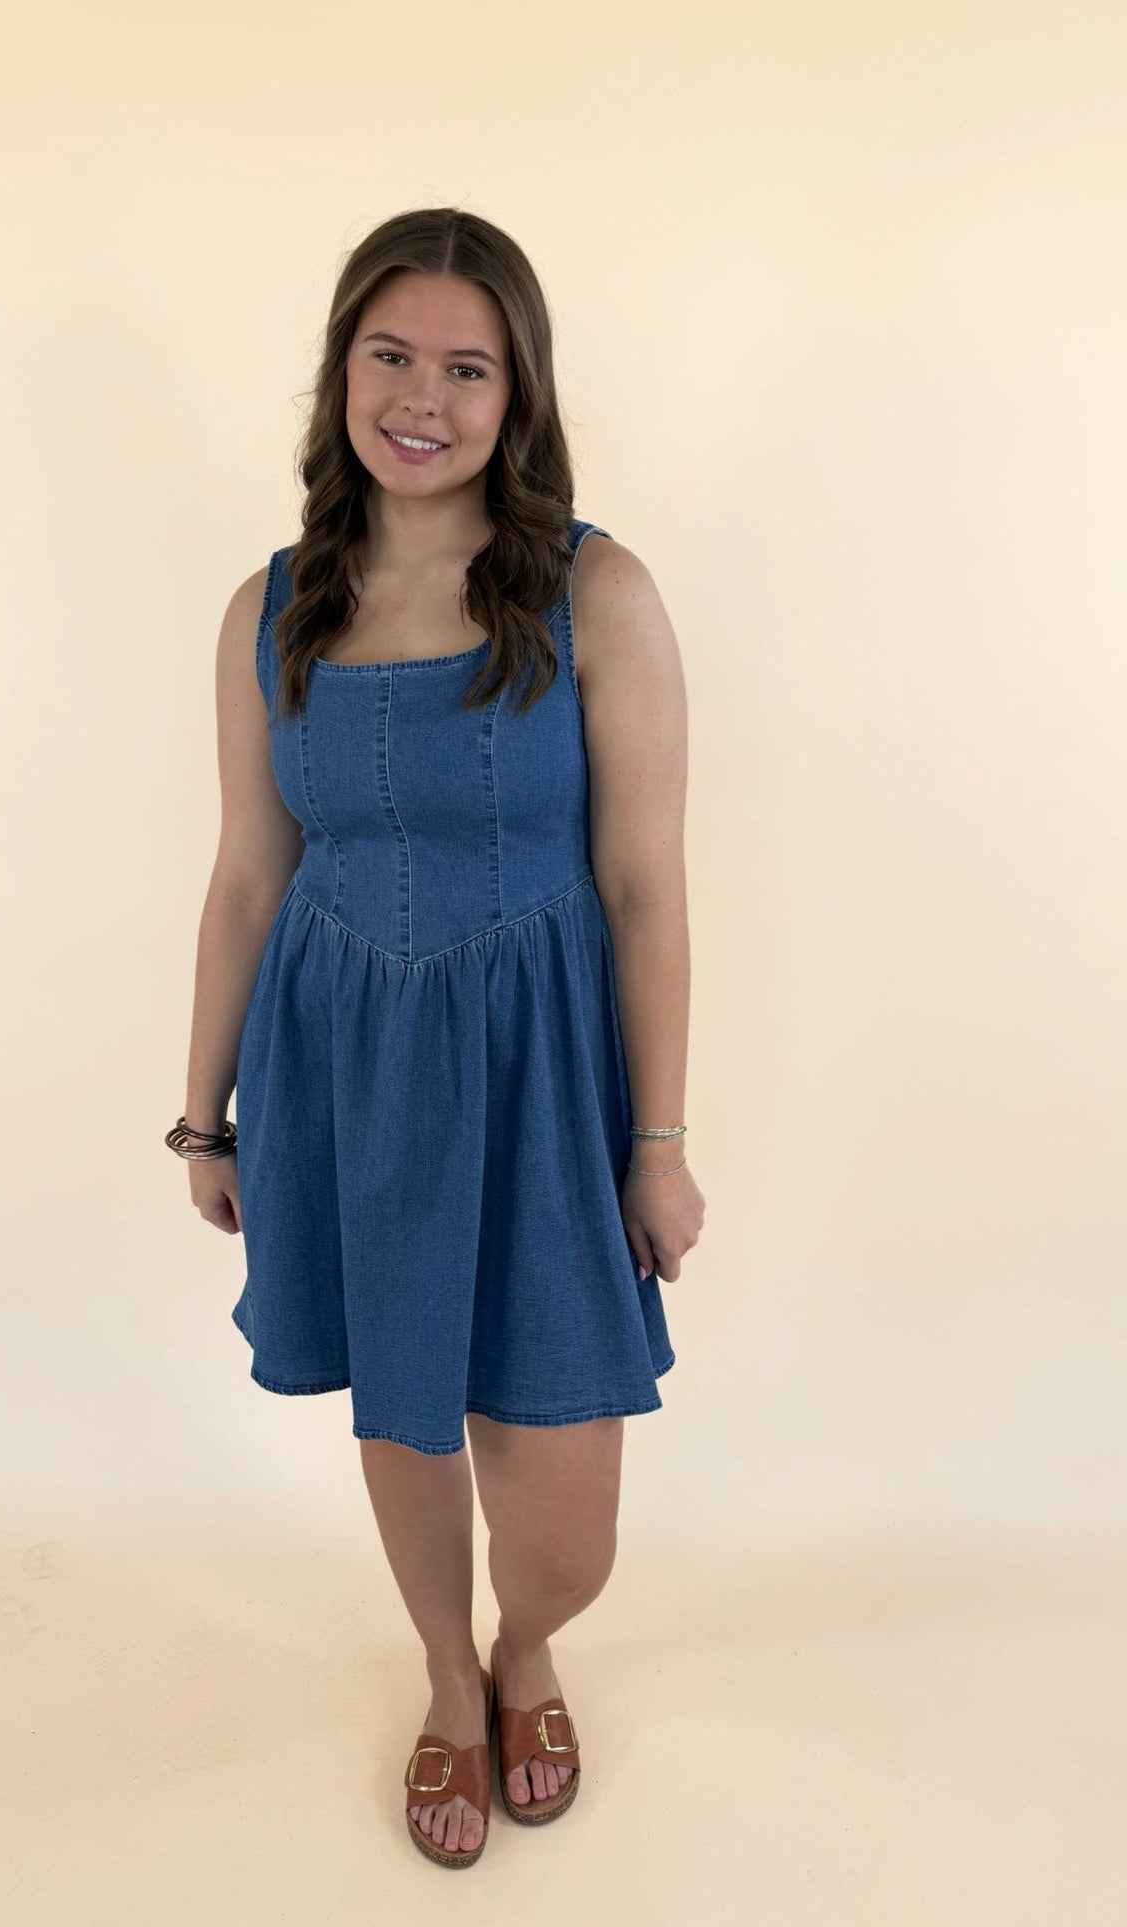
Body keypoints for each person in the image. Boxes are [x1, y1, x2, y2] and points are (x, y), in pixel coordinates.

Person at [168, 207, 703, 1867]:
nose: (422, 398)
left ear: (516, 392)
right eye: (389, 355)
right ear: (339, 370)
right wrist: (205, 1114)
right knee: (402, 1414)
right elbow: (248, 872)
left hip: (541, 1078)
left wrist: (659, 1145)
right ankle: (449, 1682)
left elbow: (644, 888)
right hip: (343, 1066)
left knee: (562, 1518)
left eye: (467, 368)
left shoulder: (596, 591)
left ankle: (527, 1640)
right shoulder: (272, 608)